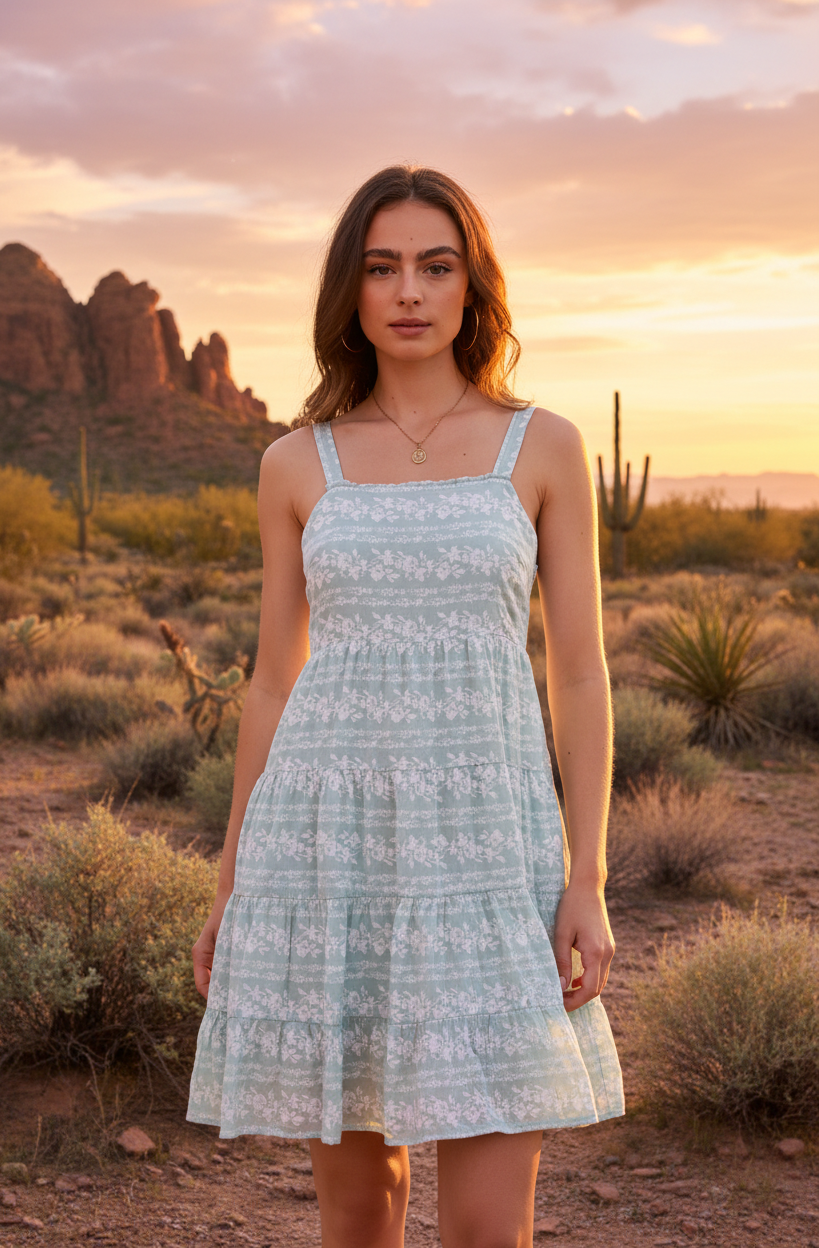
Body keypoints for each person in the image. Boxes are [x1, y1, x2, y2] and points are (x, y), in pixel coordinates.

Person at [187, 164, 624, 1248]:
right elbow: (274, 678)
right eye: (382, 267)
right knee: (358, 1210)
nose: (410, 292)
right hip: (331, 852)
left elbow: (578, 671)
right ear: (351, 290)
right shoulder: (296, 462)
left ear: (474, 287)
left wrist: (587, 878)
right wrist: (234, 878)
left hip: (486, 858)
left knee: (487, 1222)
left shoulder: (546, 446)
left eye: (437, 266)